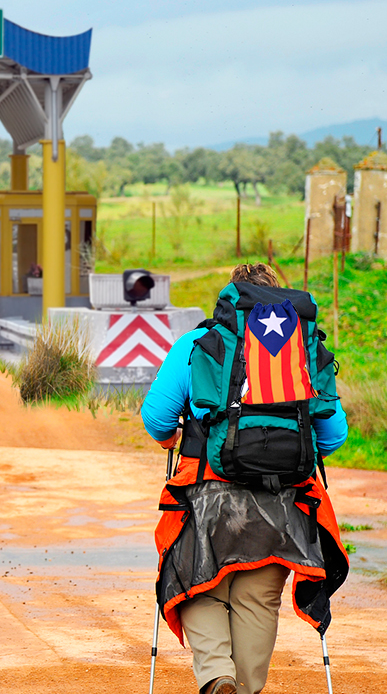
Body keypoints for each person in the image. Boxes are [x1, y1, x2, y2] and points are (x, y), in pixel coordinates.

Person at [141, 264, 350, 694]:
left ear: (231, 297)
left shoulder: (199, 343)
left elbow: (157, 418)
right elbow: (333, 436)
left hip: (207, 497)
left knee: (199, 586)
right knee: (258, 600)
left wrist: (175, 436)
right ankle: (248, 689)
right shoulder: (304, 348)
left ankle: (219, 676)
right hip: (284, 504)